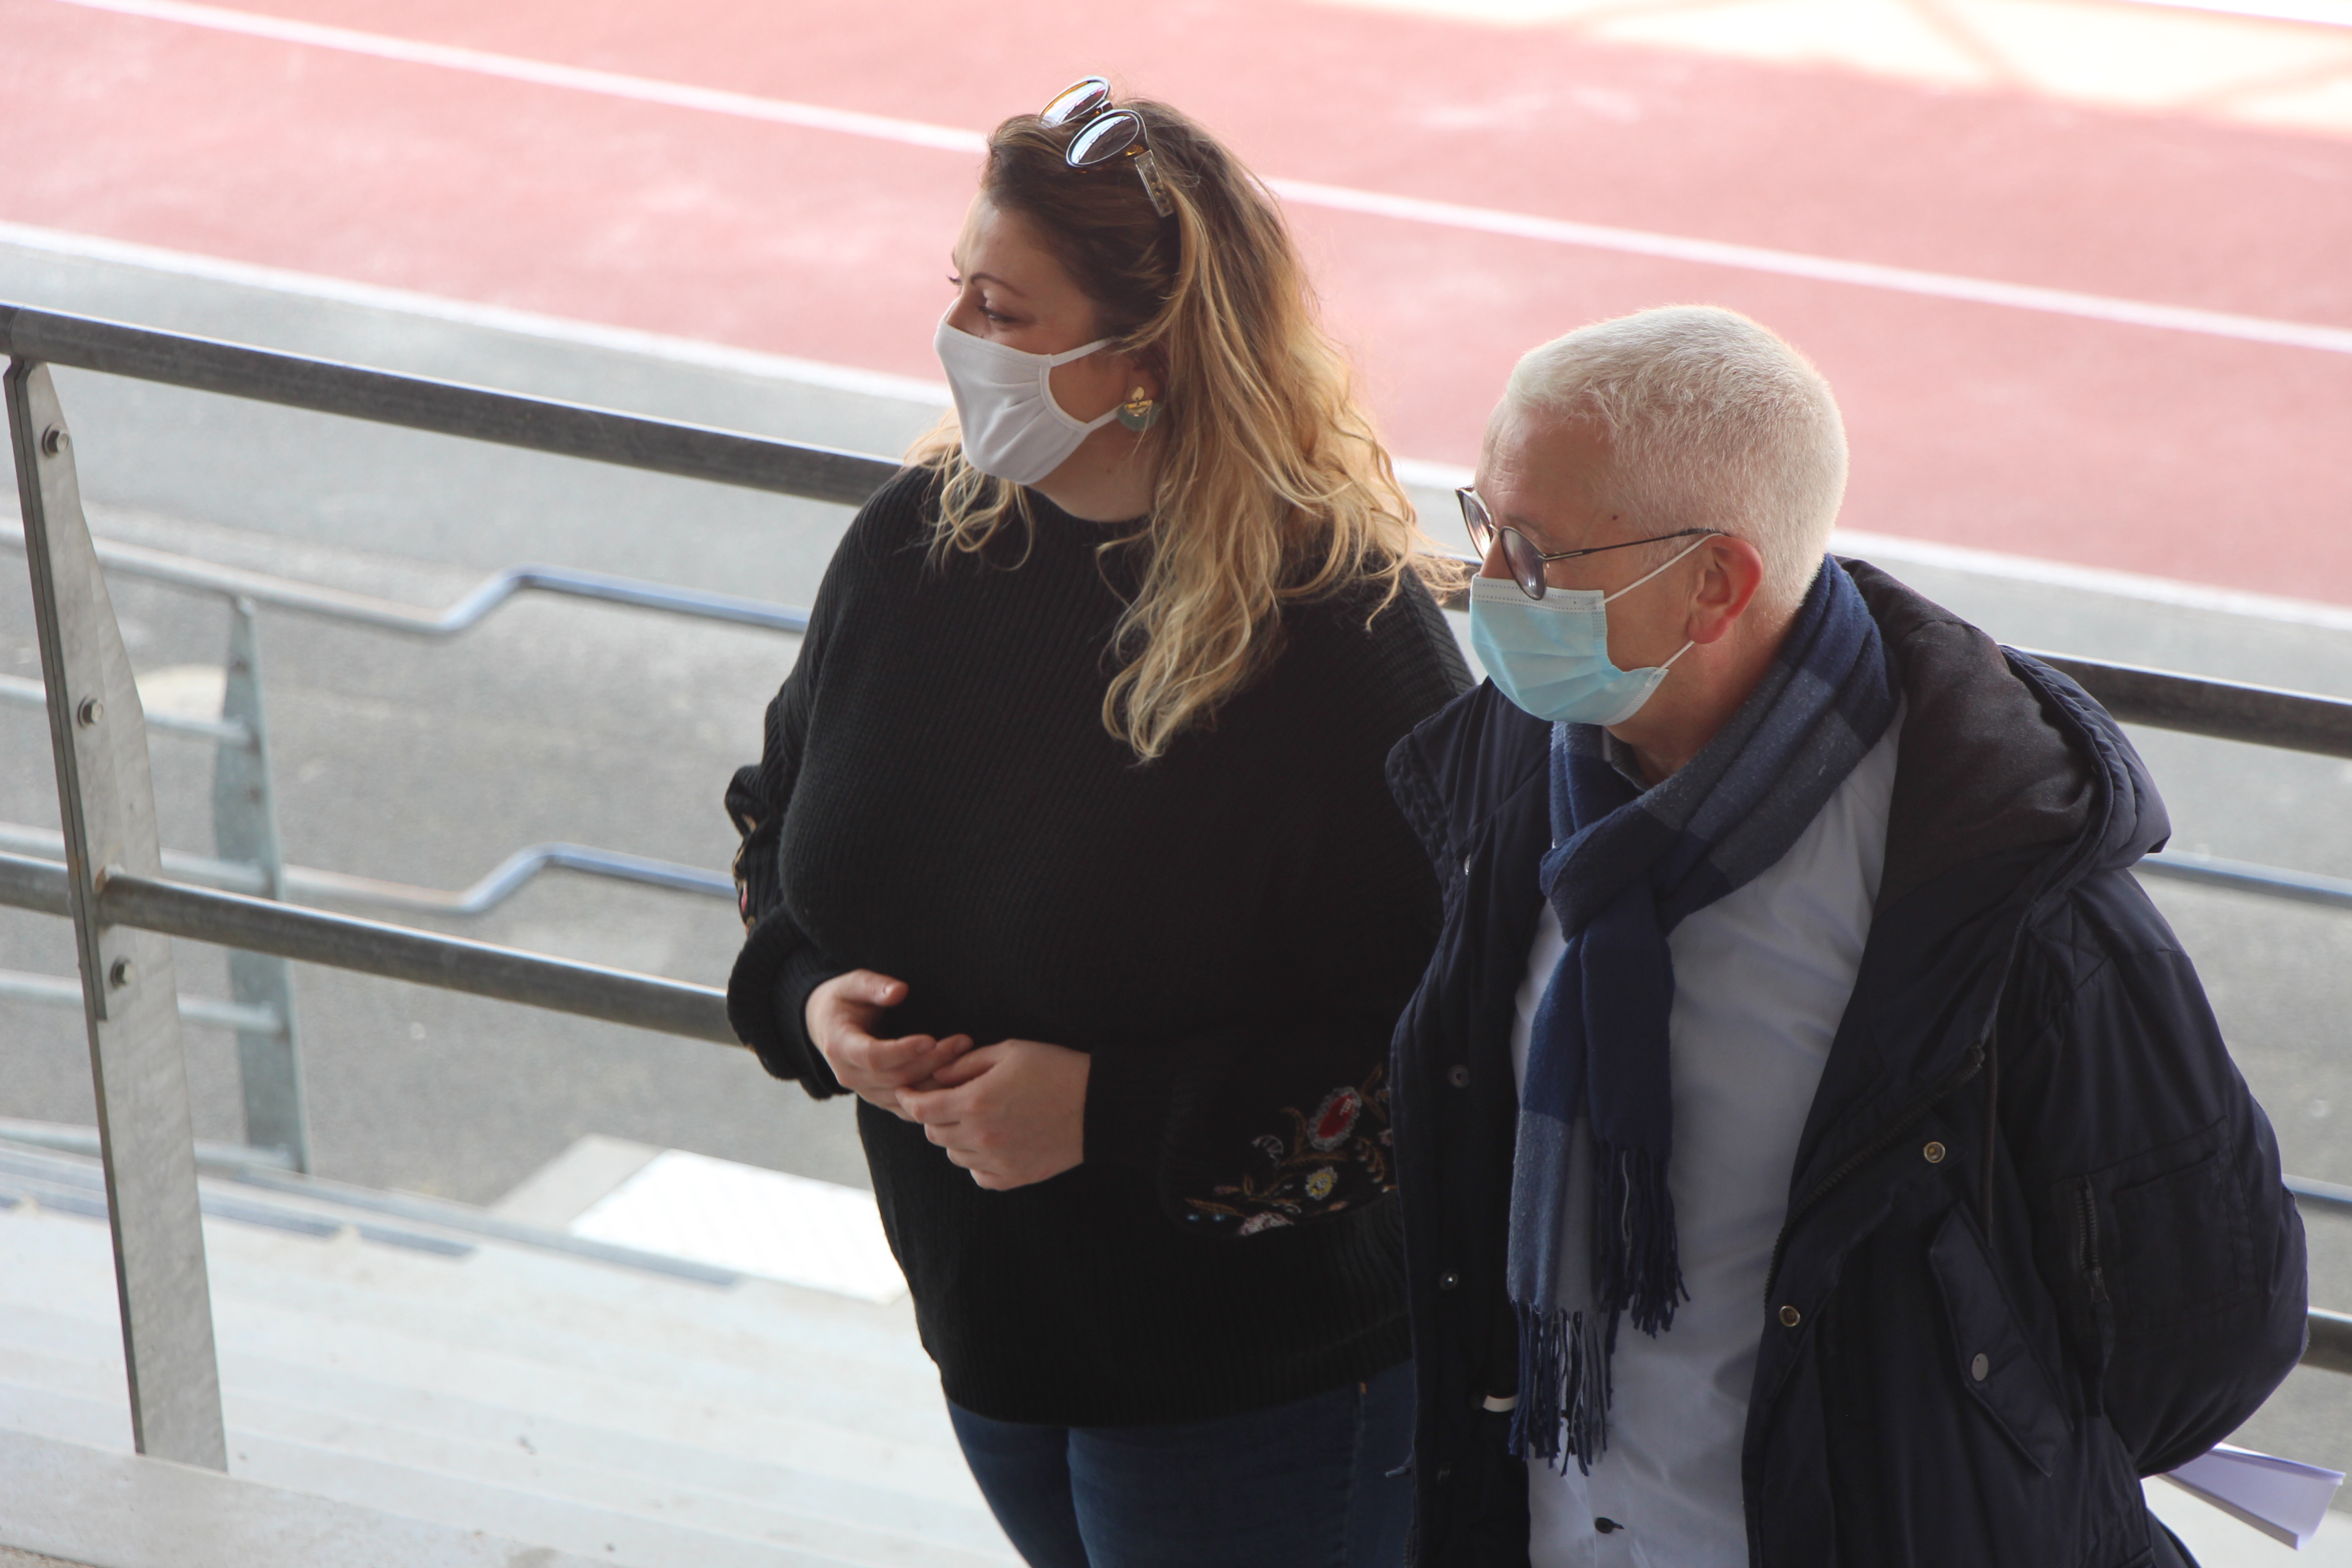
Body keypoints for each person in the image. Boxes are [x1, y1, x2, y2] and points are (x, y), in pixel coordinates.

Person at [1383, 304, 2307, 1566]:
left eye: (1537, 555)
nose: (1485, 585)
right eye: (1482, 522)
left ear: (1716, 584)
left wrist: (1961, 1466)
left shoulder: (2007, 894)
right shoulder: (1513, 769)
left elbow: (2208, 1333)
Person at [723, 78, 1469, 1568]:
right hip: (993, 1350)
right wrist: (808, 1003)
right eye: (958, 291)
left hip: (1266, 1393)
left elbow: (1446, 1046)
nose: (956, 338)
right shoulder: (914, 545)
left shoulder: (1338, 637)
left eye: (1003, 311)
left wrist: (1110, 1113)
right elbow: (774, 824)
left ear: (1148, 356)